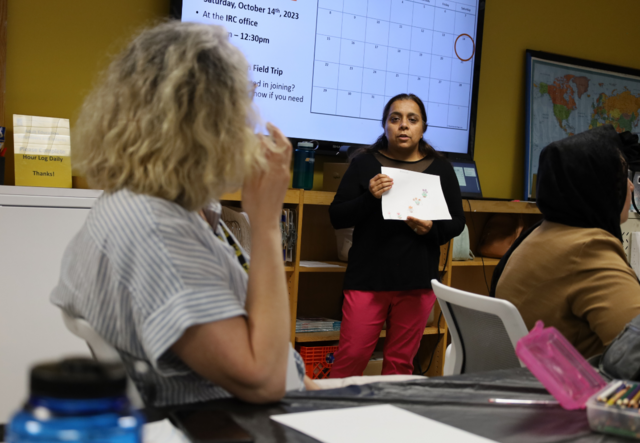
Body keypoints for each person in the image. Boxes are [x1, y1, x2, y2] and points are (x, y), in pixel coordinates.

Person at [50, 21, 317, 406]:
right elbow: (265, 380)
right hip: (237, 422)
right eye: (244, 102)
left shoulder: (150, 207)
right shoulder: (154, 229)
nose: (252, 121)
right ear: (205, 123)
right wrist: (267, 224)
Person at [328, 93, 465, 377]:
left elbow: (456, 223)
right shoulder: (364, 164)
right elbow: (337, 216)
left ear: (423, 127)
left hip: (416, 281)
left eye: (412, 119)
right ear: (385, 125)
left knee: (400, 365)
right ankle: (323, 416)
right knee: (351, 357)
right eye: (395, 119)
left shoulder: (441, 168)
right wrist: (369, 198)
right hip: (367, 279)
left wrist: (431, 229)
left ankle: (389, 418)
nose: (403, 125)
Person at [492, 124, 640, 358]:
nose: (631, 186)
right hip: (578, 389)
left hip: (527, 378)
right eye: (622, 177)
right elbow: (635, 347)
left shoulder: (539, 233)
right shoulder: (589, 250)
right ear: (596, 187)